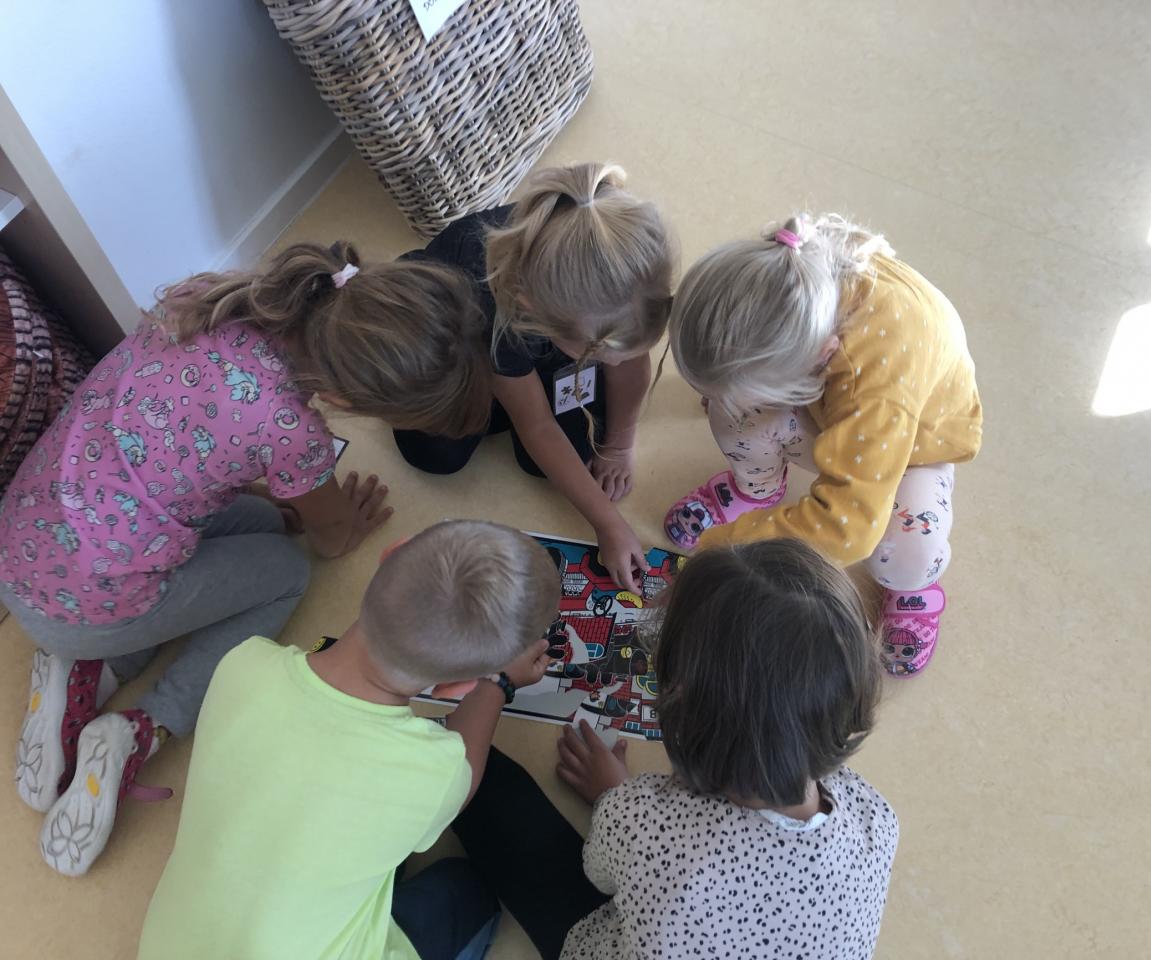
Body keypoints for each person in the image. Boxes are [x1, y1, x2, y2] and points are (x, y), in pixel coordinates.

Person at [3, 242, 491, 875]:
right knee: (287, 573)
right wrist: (344, 519)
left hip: (27, 539)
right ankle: (144, 725)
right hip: (83, 605)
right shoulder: (295, 433)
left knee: (264, 523)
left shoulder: (211, 297)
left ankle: (80, 674)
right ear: (347, 401)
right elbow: (332, 540)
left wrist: (288, 501)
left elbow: (196, 451)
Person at [448, 539, 897, 960]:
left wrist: (613, 799)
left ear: (680, 705)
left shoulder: (642, 821)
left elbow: (599, 873)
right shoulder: (877, 819)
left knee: (475, 782)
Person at [136, 520, 561, 960]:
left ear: (388, 554)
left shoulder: (243, 660)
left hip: (167, 949)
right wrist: (499, 684)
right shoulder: (436, 773)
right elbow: (463, 781)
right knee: (469, 893)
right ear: (456, 687)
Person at [662, 214, 983, 676]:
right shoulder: (791, 269)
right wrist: (733, 394)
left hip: (916, 448)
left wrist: (721, 550)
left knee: (906, 552)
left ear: (822, 356)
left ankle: (914, 589)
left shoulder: (876, 386)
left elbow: (848, 528)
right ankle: (758, 488)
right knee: (734, 409)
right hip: (838, 406)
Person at [392, 162, 677, 592]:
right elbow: (538, 425)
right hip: (462, 343)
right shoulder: (490, 308)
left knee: (553, 460)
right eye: (600, 354)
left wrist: (619, 445)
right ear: (535, 312)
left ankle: (526, 380)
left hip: (541, 332)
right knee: (435, 455)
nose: (615, 363)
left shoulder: (625, 283)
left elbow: (629, 360)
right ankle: (504, 386)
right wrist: (608, 523)